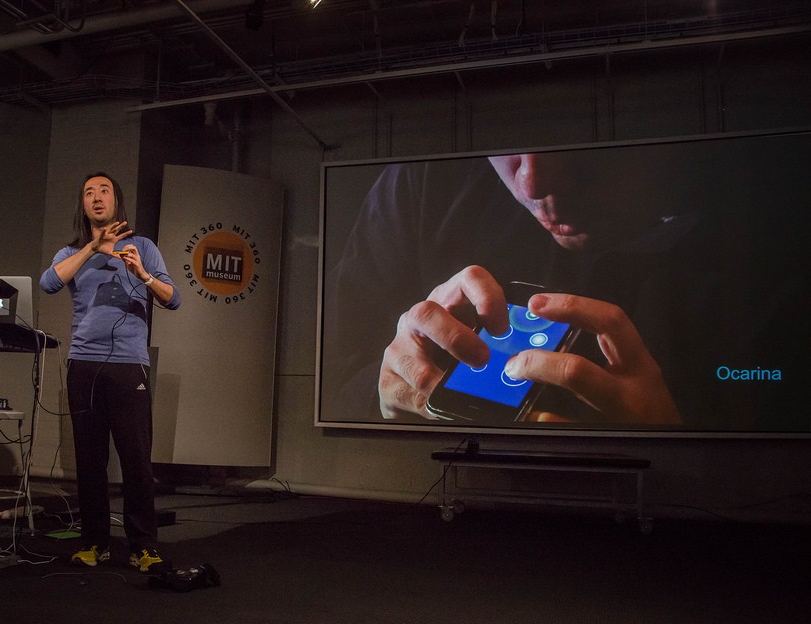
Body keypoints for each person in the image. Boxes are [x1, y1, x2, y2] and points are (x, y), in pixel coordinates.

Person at [322, 134, 807, 432]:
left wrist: (678, 445)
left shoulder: (782, 225)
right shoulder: (425, 181)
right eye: (505, 133)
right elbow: (339, 387)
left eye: (582, 138)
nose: (532, 183)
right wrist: (388, 390)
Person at [41, 171, 181, 572]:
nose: (97, 197)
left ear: (116, 201)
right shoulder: (70, 253)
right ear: (83, 205)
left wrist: (144, 276)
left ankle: (143, 546)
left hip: (129, 365)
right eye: (89, 192)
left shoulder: (144, 248)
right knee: (89, 460)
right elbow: (49, 283)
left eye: (104, 191)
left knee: (137, 459)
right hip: (84, 365)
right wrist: (91, 249)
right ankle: (94, 543)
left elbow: (174, 300)